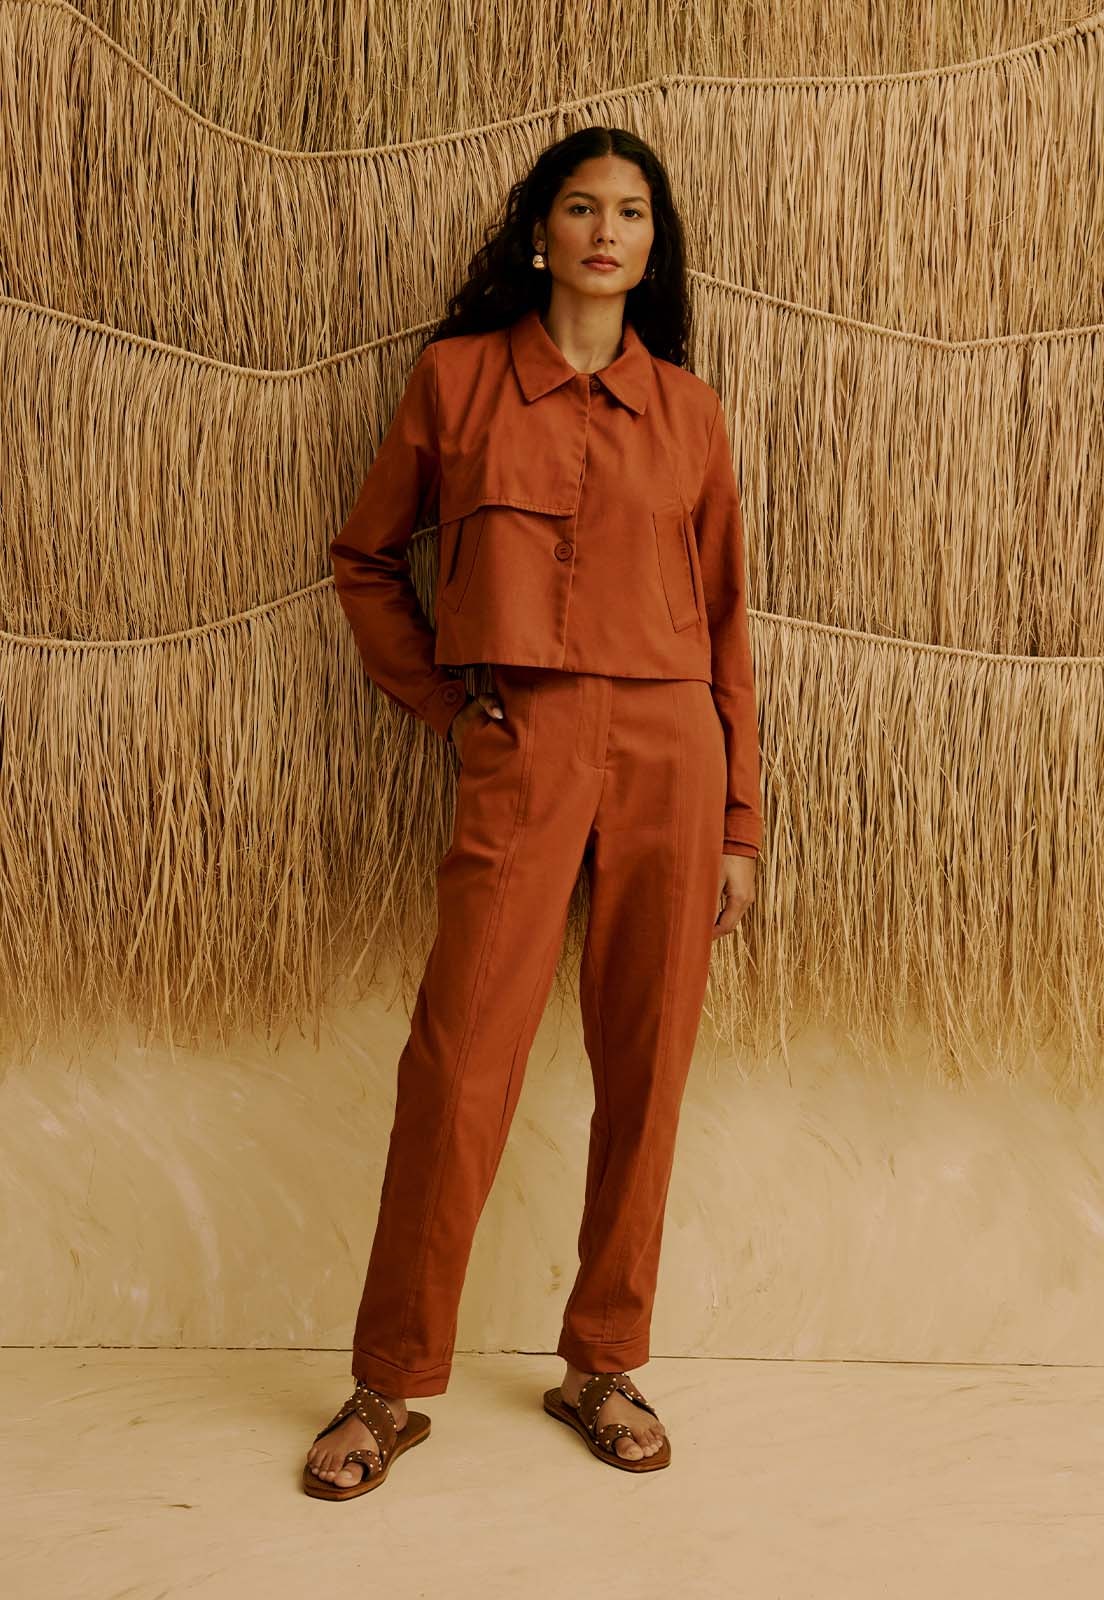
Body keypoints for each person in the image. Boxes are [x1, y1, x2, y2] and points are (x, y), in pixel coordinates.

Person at [304, 124, 761, 1498]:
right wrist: (450, 710)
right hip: (526, 744)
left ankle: (603, 1362)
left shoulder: (689, 411)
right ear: (541, 232)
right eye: (582, 206)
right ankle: (388, 1385)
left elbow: (728, 622)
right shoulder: (456, 380)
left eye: (633, 211)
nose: (607, 230)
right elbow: (364, 559)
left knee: (648, 1066)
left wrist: (739, 822)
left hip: (674, 749)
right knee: (458, 1062)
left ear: (654, 246)